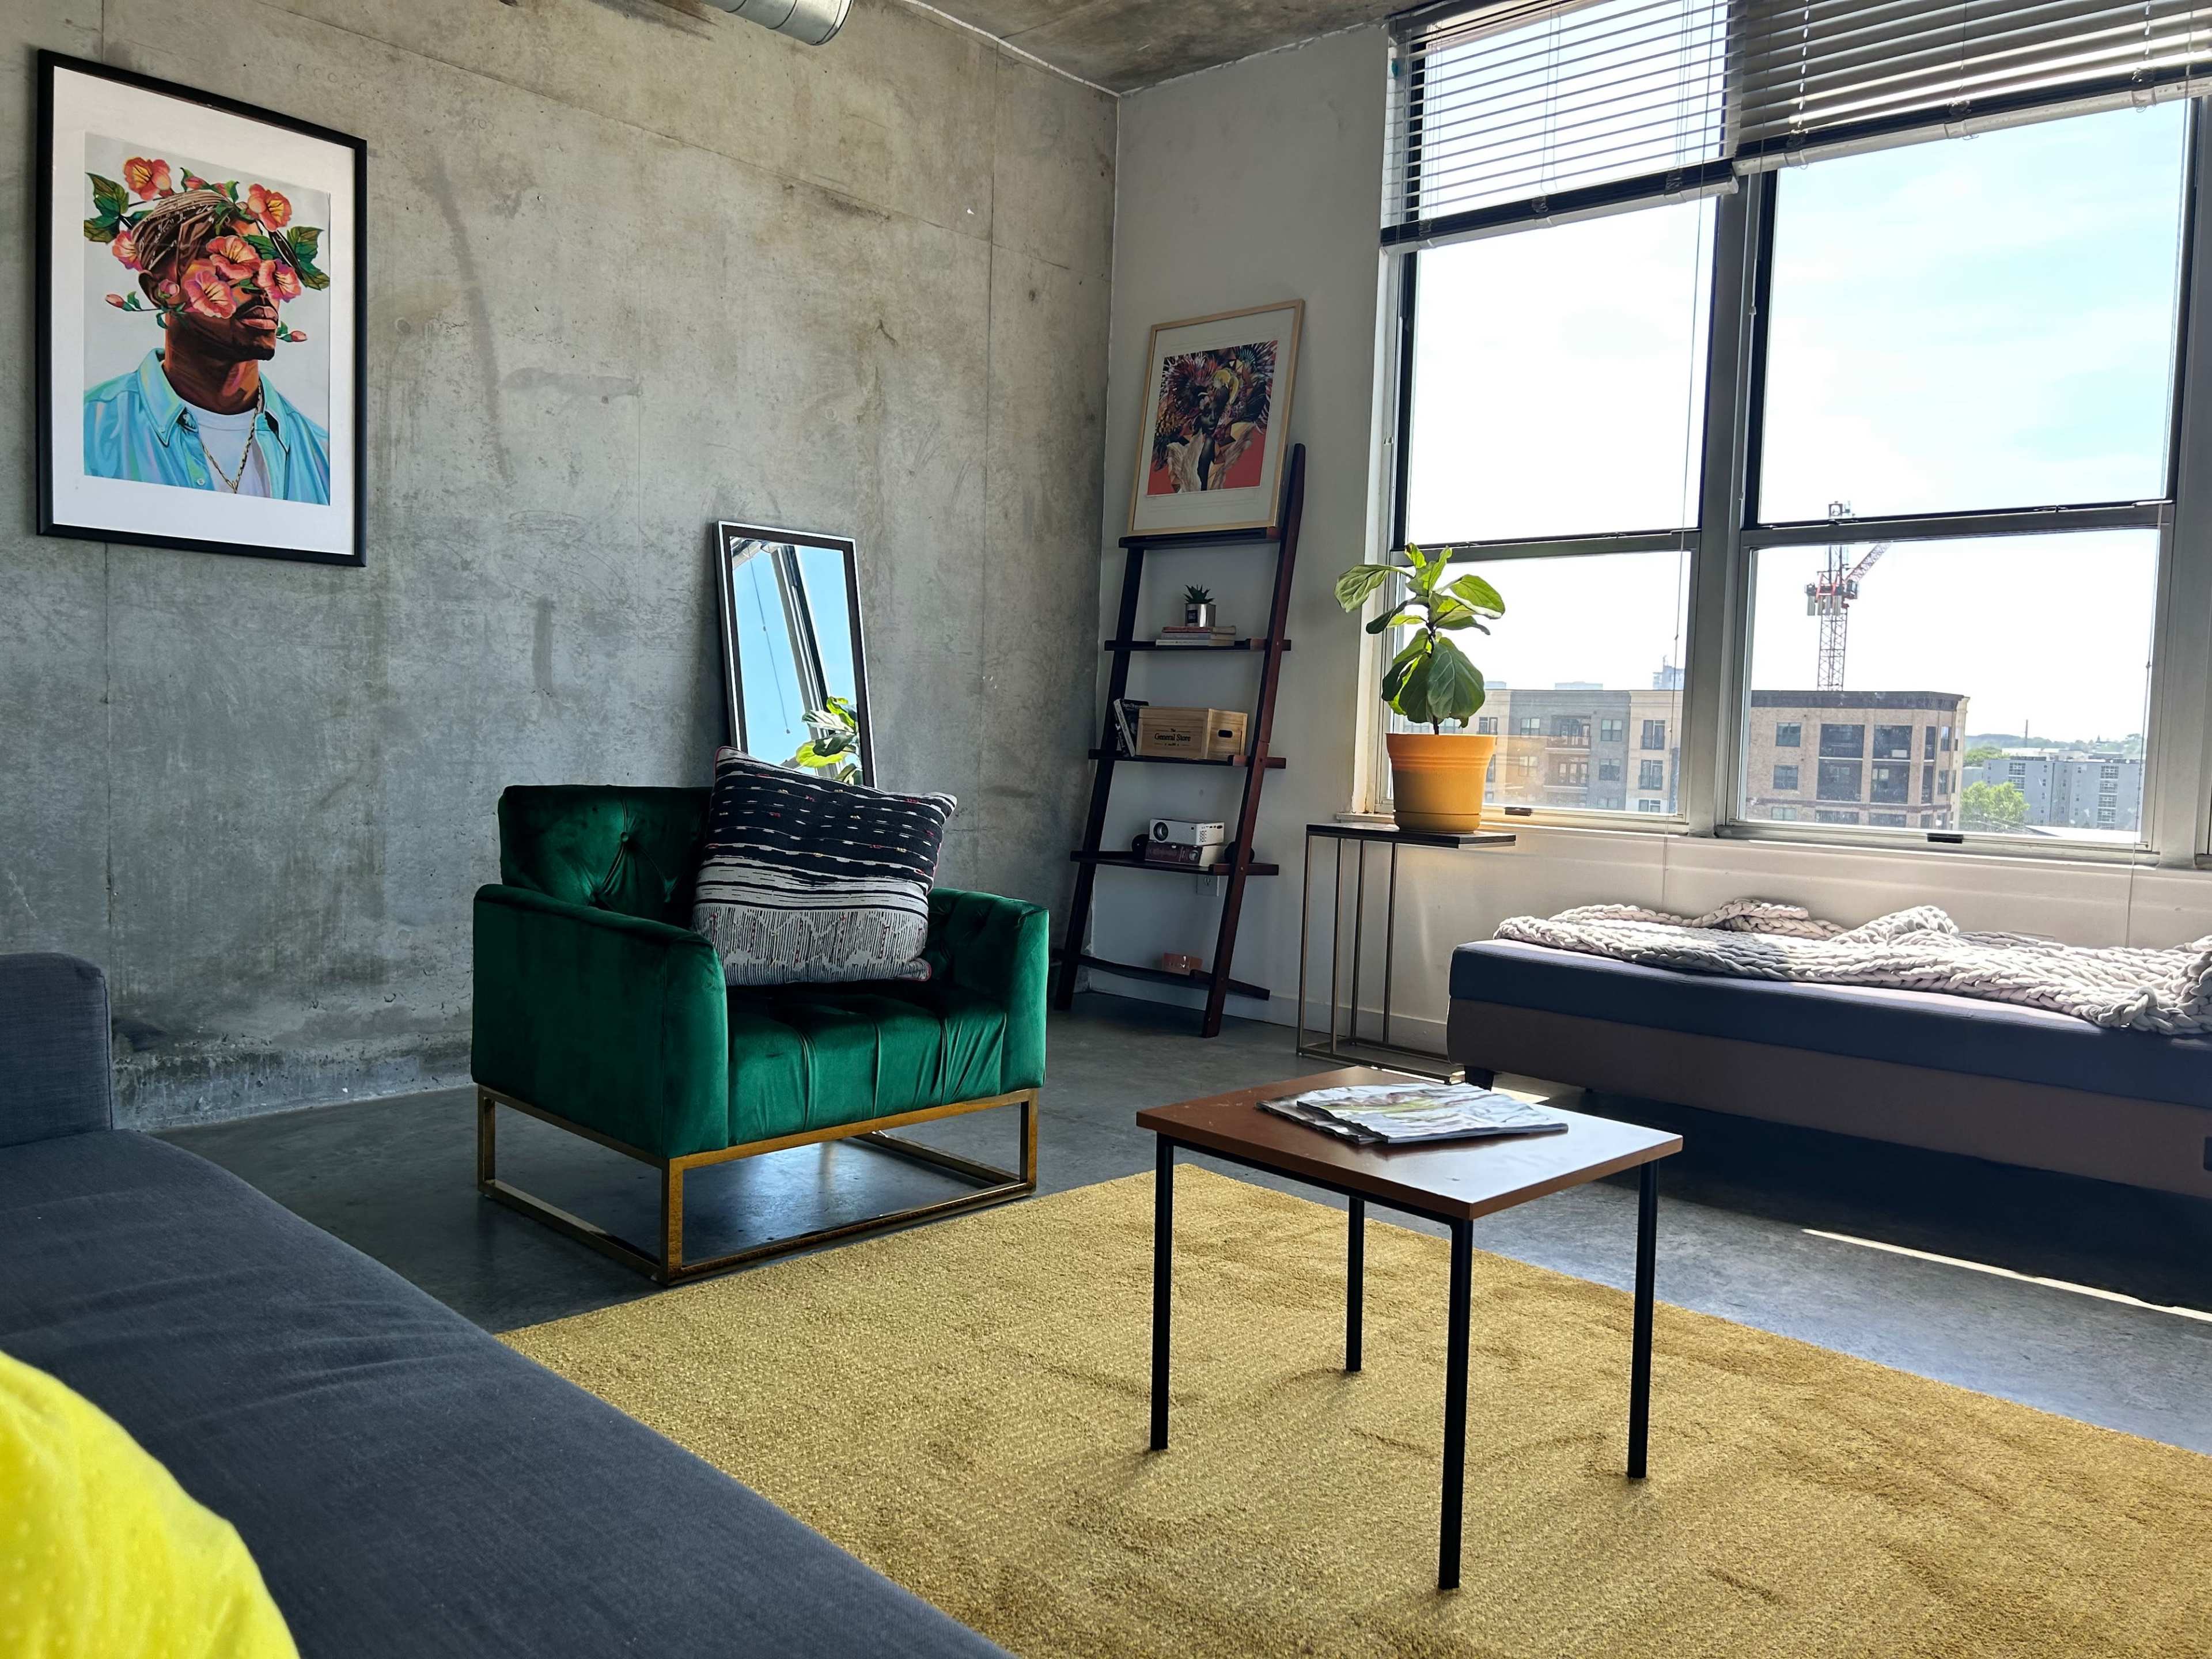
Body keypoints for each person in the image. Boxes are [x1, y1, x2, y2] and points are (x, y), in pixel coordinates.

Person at [83, 187, 331, 502]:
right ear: (160, 290)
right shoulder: (86, 429)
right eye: (229, 259)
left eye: (271, 265)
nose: (260, 283)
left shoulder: (323, 457)